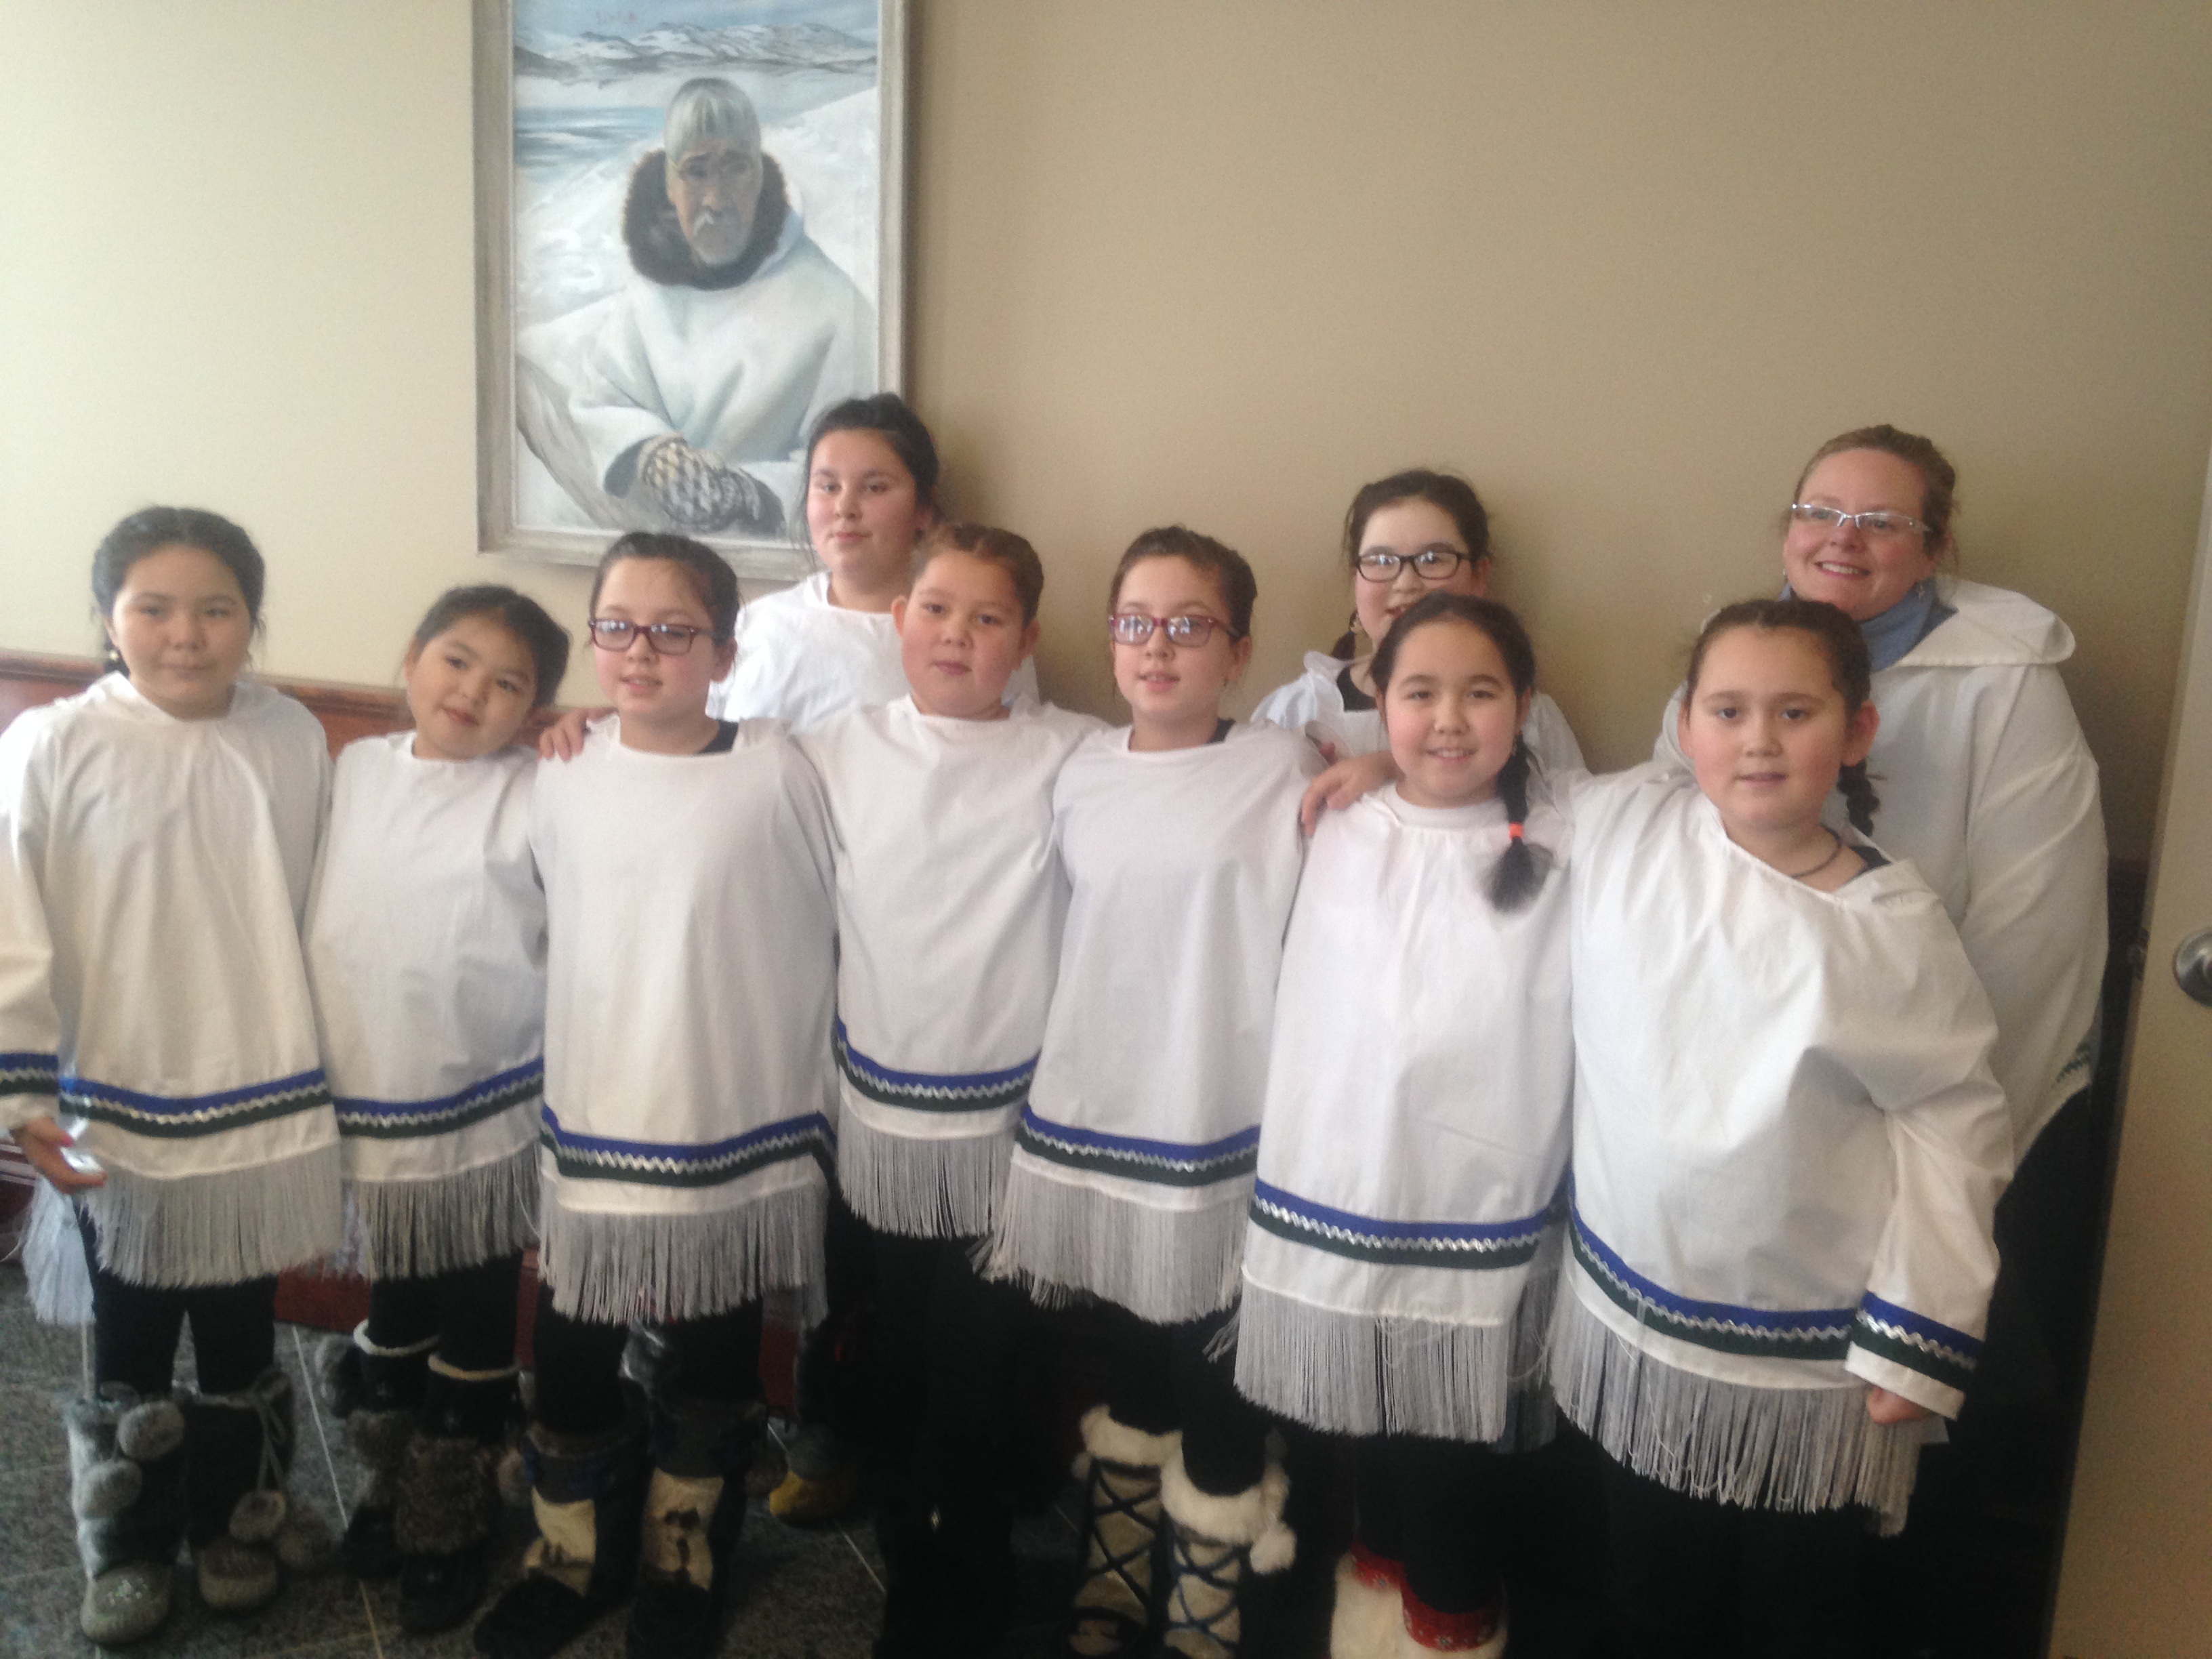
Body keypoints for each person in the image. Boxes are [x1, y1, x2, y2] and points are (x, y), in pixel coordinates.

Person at [1563, 599, 2011, 1656]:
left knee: (1795, 1609)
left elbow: (1953, 1121)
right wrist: (1366, 771)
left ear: (1856, 730)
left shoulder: (1890, 929)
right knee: (1647, 1592)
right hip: (1639, 1319)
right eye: (1728, 709)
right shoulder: (1630, 829)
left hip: (1804, 1353)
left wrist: (1919, 1333)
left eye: (1794, 712)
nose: (1757, 739)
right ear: (1686, 725)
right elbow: (1486, 794)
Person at [472, 535, 839, 1659]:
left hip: (726, 1110)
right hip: (596, 1108)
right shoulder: (561, 769)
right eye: (616, 624)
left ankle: (686, 1543)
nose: (640, 650)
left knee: (715, 1346)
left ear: (723, 652)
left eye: (673, 629)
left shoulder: (779, 764)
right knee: (574, 1347)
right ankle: (571, 1549)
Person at [0, 508, 340, 1643]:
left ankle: (236, 1515)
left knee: (246, 1329)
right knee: (131, 1332)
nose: (184, 635)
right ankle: (131, 1542)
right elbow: (13, 928)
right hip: (116, 1097)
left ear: (251, 619)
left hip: (257, 1092)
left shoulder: (289, 733)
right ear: (107, 616)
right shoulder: (53, 743)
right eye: (152, 606)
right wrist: (23, 1095)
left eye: (215, 608)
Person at [984, 528, 1317, 1658]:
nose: (1158, 647)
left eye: (1190, 625)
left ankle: (1206, 1591)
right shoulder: (1071, 765)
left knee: (1214, 1360)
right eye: (1135, 621)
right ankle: (1117, 1560)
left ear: (1239, 647)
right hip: (1100, 1102)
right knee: (1129, 1347)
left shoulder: (1283, 764)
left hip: (1223, 1116)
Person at [1239, 593, 1572, 1659]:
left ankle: (1449, 1630)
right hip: (1341, 1188)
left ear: (1524, 706)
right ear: (1378, 697)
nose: (1448, 720)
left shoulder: (1571, 835)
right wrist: (1381, 770)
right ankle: (1375, 1630)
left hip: (1475, 1213)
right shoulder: (1335, 823)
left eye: (1482, 693)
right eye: (1419, 693)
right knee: (1368, 1452)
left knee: (1451, 1471)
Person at [798, 523, 1103, 1656]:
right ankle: (909, 1559)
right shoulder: (833, 747)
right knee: (891, 1355)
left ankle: (961, 1584)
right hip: (874, 1124)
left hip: (1003, 1134)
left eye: (986, 618)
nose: (955, 635)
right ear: (898, 618)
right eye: (935, 608)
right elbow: (706, 775)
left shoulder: (1073, 752)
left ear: (1024, 640)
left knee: (980, 1369)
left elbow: (1207, 774)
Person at [302, 586, 569, 1633]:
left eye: (510, 684)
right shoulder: (356, 769)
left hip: (490, 1089)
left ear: (538, 708)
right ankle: (388, 1480)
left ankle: (448, 1513)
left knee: (475, 1295)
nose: (474, 693)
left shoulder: (540, 790)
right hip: (374, 1082)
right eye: (457, 662)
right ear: (412, 660)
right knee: (398, 1291)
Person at [516, 76, 874, 536]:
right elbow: (602, 398)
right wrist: (651, 452)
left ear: (760, 177)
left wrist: (747, 490)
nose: (716, 199)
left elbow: (858, 464)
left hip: (765, 544)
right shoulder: (648, 298)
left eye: (735, 168)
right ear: (669, 184)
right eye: (697, 171)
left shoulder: (833, 307)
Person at [704, 393, 1037, 730]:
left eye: (875, 488)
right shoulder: (756, 626)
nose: (845, 507)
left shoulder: (978, 641)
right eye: (829, 486)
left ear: (924, 509)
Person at [1251, 468, 1582, 773]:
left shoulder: (1529, 717)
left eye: (1433, 559)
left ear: (1479, 576)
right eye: (1381, 560)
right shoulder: (1295, 711)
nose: (1406, 583)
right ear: (1357, 579)